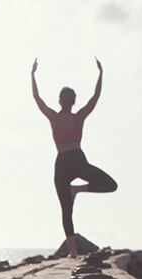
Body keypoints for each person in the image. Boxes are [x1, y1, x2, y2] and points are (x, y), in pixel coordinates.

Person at [31, 56, 117, 258]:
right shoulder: (79, 117)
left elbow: (37, 99)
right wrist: (101, 74)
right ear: (74, 101)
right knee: (110, 185)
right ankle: (78, 190)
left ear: (60, 100)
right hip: (77, 160)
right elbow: (95, 98)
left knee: (66, 209)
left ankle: (73, 252)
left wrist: (32, 75)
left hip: (63, 162)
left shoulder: (54, 117)